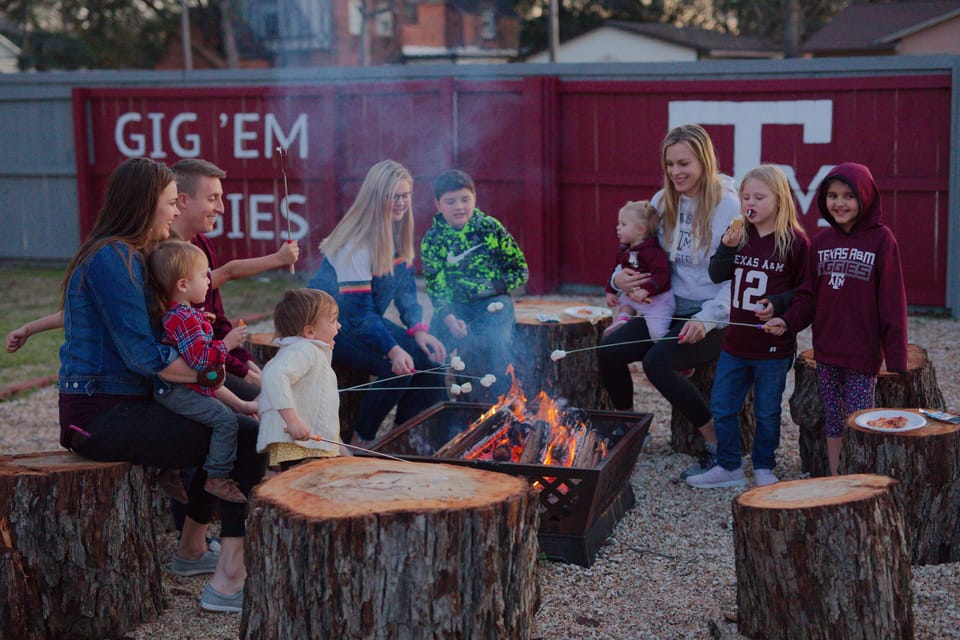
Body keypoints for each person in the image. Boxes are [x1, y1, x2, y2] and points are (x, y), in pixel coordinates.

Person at [56, 157, 264, 613]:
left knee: (246, 426)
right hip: (100, 414)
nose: (175, 211)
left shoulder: (130, 255)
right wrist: (212, 373)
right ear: (146, 203)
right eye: (171, 203)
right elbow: (145, 358)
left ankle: (196, 552)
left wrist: (216, 373)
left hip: (130, 401)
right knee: (247, 438)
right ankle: (227, 582)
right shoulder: (112, 257)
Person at [597, 124, 739, 479]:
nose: (676, 172)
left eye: (684, 164)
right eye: (670, 164)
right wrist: (617, 278)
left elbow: (738, 278)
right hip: (670, 305)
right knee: (608, 351)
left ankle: (717, 446)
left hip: (714, 314)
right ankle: (629, 429)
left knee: (657, 363)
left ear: (704, 161)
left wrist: (707, 319)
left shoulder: (729, 206)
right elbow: (637, 250)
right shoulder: (663, 201)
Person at [766, 162, 907, 476]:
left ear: (865, 197)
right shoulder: (821, 242)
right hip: (827, 350)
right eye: (832, 196)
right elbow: (807, 296)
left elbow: (893, 301)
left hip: (862, 352)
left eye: (849, 196)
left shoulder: (882, 240)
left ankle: (861, 481)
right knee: (833, 418)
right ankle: (835, 479)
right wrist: (787, 321)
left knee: (860, 420)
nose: (839, 203)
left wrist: (896, 355)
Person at [685, 165, 810, 489]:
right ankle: (729, 465)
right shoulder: (739, 234)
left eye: (759, 197)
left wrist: (781, 310)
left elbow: (807, 292)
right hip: (735, 343)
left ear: (779, 199)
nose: (750, 203)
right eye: (746, 197)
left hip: (772, 347)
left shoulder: (794, 242)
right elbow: (717, 275)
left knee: (767, 412)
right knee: (722, 406)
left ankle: (764, 465)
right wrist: (726, 248)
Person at [307, 160, 447, 444]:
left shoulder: (397, 232)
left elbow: (406, 290)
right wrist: (393, 350)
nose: (401, 202)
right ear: (375, 197)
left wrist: (418, 329)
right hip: (327, 326)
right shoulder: (356, 242)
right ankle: (361, 442)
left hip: (360, 320)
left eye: (405, 195)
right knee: (399, 369)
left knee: (431, 364)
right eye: (393, 196)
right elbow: (357, 314)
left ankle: (404, 440)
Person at [147, 240, 258, 503]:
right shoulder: (184, 319)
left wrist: (202, 323)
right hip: (176, 389)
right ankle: (216, 476)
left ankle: (172, 467)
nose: (209, 281)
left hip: (182, 387)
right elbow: (200, 361)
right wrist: (227, 343)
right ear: (183, 285)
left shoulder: (184, 315)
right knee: (225, 420)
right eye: (203, 275)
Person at [420, 169, 528, 399]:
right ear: (438, 204)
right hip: (453, 307)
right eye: (450, 202)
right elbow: (435, 286)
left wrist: (491, 288)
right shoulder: (433, 239)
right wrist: (449, 318)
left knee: (497, 345)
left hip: (493, 302)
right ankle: (439, 408)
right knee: (431, 353)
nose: (459, 207)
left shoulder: (490, 228)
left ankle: (503, 404)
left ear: (474, 198)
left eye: (465, 199)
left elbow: (520, 270)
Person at [257, 288, 349, 470]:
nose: (339, 326)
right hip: (299, 443)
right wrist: (292, 421)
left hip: (306, 443)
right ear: (309, 332)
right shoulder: (304, 350)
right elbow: (275, 375)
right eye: (333, 321)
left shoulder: (308, 350)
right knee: (306, 483)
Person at [602, 200, 674, 339]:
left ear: (641, 229)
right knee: (625, 302)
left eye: (623, 224)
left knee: (657, 333)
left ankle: (667, 344)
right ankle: (623, 318)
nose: (618, 227)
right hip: (634, 297)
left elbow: (662, 275)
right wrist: (610, 291)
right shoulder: (625, 250)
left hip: (657, 301)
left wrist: (646, 290)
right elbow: (617, 269)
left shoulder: (654, 253)